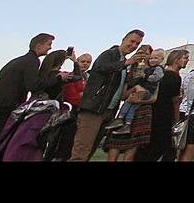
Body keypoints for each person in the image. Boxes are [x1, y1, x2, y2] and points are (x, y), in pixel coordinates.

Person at [70, 30, 146, 162]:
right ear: (124, 39)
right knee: (81, 150)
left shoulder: (124, 62)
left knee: (91, 149)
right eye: (132, 41)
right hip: (94, 108)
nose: (133, 46)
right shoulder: (110, 54)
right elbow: (100, 68)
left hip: (109, 110)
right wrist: (126, 63)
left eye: (137, 44)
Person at [0, 32, 54, 156]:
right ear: (38, 46)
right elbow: (33, 85)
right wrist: (58, 79)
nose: (50, 48)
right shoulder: (32, 61)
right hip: (1, 109)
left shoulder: (18, 61)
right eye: (48, 44)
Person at [106, 46, 165, 162]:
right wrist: (134, 90)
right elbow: (122, 95)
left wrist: (140, 100)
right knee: (115, 141)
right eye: (141, 53)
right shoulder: (130, 71)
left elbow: (154, 98)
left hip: (143, 110)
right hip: (128, 105)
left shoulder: (156, 72)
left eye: (147, 54)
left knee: (133, 144)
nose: (144, 56)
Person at [141, 48, 187, 162]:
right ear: (176, 60)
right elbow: (175, 101)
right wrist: (176, 120)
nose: (187, 61)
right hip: (164, 115)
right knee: (161, 147)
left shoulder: (162, 74)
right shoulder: (174, 77)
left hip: (154, 112)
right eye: (185, 58)